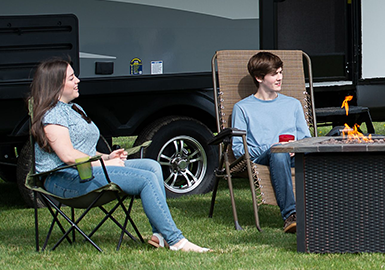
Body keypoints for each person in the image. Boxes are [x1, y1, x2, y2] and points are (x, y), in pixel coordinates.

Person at [30, 59, 209, 252]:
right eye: (72, 78)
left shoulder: (75, 109)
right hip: (64, 180)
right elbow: (68, 156)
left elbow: (85, 151)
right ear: (56, 84)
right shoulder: (52, 115)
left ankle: (159, 236)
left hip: (83, 173)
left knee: (152, 166)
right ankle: (176, 241)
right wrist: (106, 165)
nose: (78, 81)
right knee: (146, 179)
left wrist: (107, 157)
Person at [230, 52, 311, 233]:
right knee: (278, 152)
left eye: (281, 72)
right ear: (259, 77)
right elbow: (237, 149)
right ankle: (291, 215)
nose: (280, 78)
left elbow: (306, 138)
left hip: (292, 155)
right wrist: (275, 148)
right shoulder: (243, 108)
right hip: (262, 157)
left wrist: (294, 148)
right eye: (274, 74)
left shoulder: (293, 104)